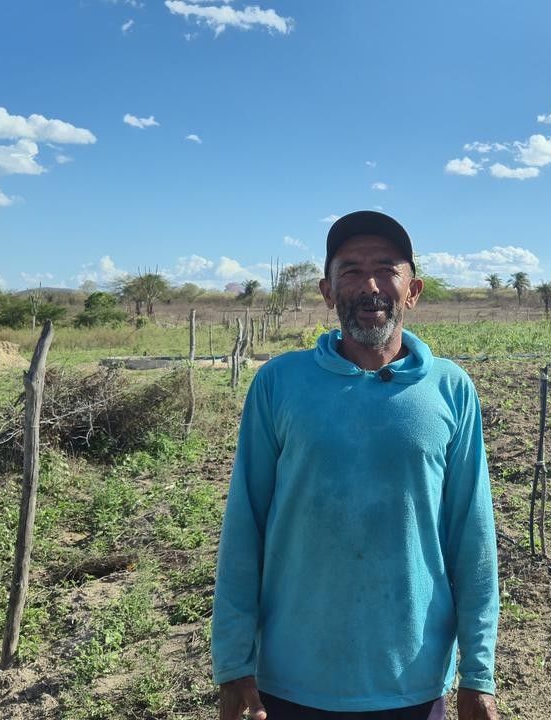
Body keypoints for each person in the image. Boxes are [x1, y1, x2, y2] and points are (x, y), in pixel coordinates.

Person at [211, 210, 500, 720]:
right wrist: (234, 662)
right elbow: (244, 528)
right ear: (326, 290)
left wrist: (478, 673)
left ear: (413, 291)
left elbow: (472, 537)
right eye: (350, 271)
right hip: (294, 678)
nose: (370, 285)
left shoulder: (450, 389)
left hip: (412, 678)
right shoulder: (279, 384)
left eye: (387, 269)